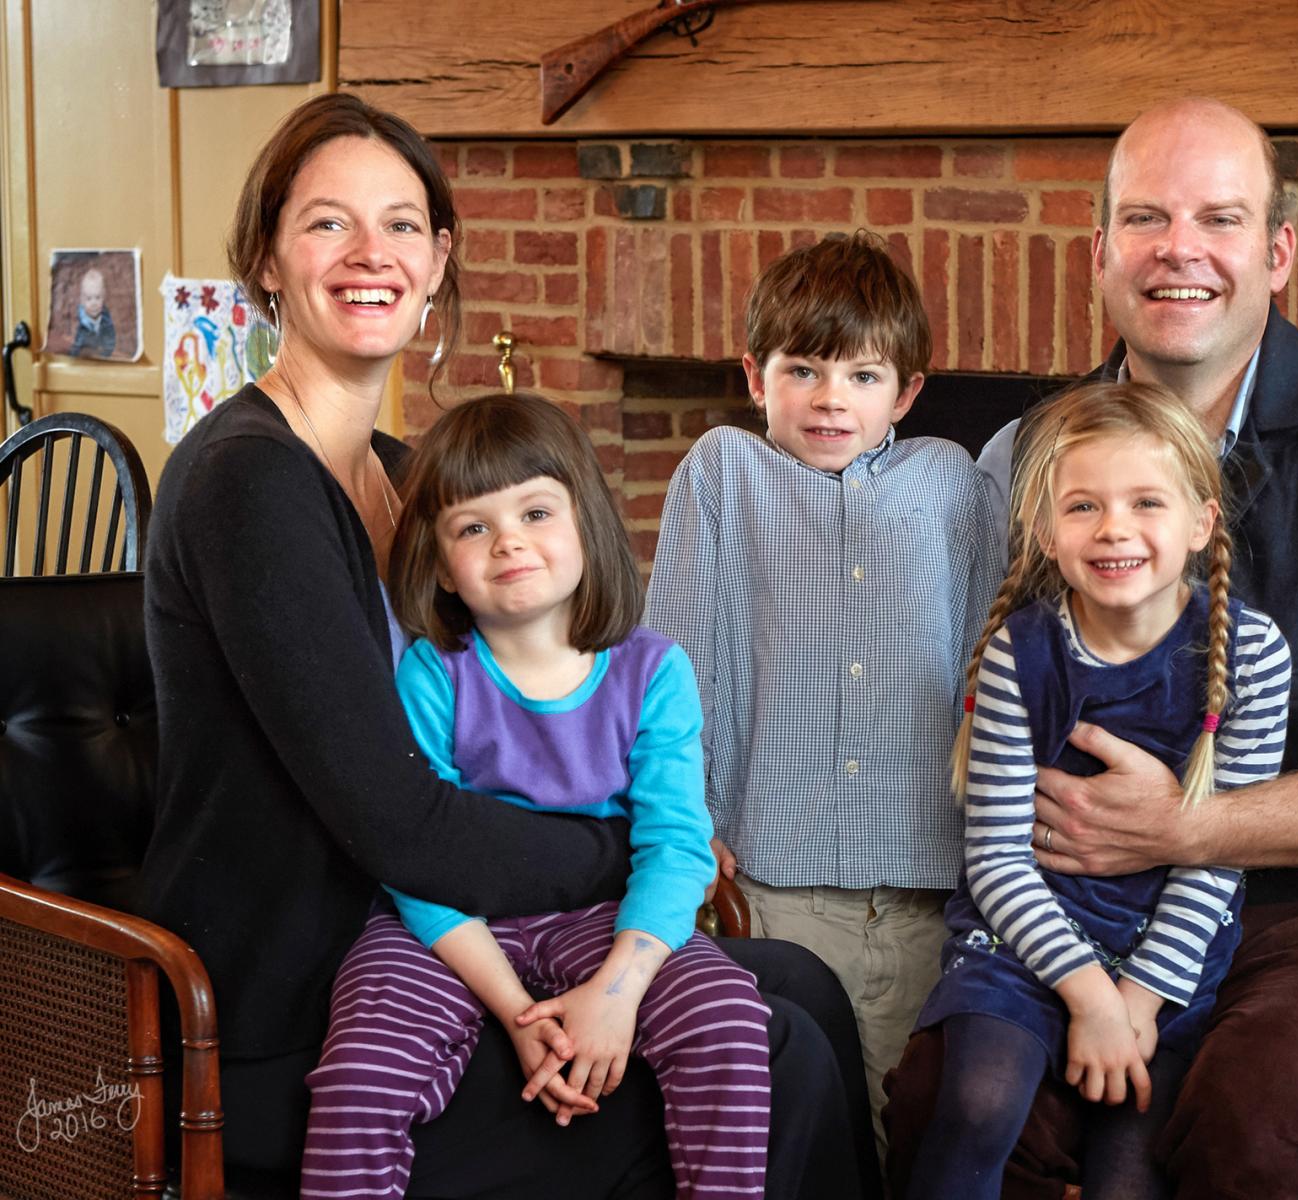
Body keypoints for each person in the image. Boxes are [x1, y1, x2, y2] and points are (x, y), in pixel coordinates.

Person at [138, 91, 876, 1200]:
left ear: (438, 260)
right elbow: (396, 817)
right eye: (327, 223)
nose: (369, 253)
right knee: (778, 1050)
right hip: (305, 998)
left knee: (807, 988)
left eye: (399, 225)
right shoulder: (251, 480)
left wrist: (637, 901)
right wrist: (629, 850)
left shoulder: (406, 474)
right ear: (267, 259)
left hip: (448, 924)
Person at [884, 96, 1298, 1199]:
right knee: (942, 1096)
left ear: (1276, 252)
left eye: (1218, 218)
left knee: (1255, 1118)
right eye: (1147, 218)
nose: (1180, 250)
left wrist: (1186, 828)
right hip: (1073, 910)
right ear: (1102, 250)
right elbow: (962, 694)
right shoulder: (1024, 455)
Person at [301, 392, 772, 1199]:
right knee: (361, 1069)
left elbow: (675, 849)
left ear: (585, 519)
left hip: (601, 915)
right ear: (441, 564)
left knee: (729, 1019)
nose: (508, 540)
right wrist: (520, 1014)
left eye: (535, 511)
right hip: (446, 924)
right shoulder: (430, 675)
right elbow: (412, 856)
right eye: (472, 526)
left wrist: (616, 995)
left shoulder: (653, 672)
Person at [644, 231, 999, 1150]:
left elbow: (986, 663)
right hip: (772, 882)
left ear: (908, 392)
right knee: (792, 1131)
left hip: (928, 883)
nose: (831, 398)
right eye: (802, 369)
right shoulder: (722, 473)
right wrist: (689, 821)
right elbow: (676, 662)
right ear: (756, 378)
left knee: (907, 1125)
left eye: (863, 376)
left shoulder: (952, 486)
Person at [898, 381, 1290, 1200]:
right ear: (1044, 531)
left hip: (1166, 952)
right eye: (1082, 507)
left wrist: (1136, 1002)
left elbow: (1217, 856)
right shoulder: (1020, 652)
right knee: (975, 1103)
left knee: (1128, 1174)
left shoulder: (1251, 655)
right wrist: (1089, 997)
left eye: (1146, 502)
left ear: (1199, 523)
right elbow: (998, 862)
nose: (1114, 529)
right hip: (1020, 942)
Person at [69, 266, 117, 357]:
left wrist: (106, 354)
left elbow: (111, 339)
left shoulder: (106, 319)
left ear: (103, 297)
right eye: (89, 299)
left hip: (102, 357)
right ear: (82, 301)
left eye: (98, 297)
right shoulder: (82, 324)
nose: (94, 303)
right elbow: (77, 345)